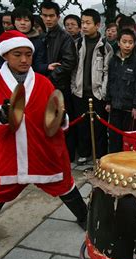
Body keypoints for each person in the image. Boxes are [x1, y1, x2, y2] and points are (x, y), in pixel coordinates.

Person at [0, 30, 87, 259]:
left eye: (28, 54)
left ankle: (85, 217)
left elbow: (55, 114)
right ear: (6, 55)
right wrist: (0, 114)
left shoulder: (43, 82)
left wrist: (61, 118)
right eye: (17, 54)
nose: (24, 60)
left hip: (41, 148)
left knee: (63, 182)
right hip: (9, 151)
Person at [71, 9, 113, 164]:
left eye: (88, 23)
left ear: (97, 25)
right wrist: (74, 88)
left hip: (97, 93)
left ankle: (99, 155)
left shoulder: (105, 47)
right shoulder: (77, 44)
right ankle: (84, 153)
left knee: (99, 128)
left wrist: (103, 92)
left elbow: (107, 72)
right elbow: (74, 69)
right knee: (82, 126)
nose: (84, 26)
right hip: (80, 92)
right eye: (82, 22)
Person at [40, 0, 78, 162]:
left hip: (60, 87)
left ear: (57, 17)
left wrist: (50, 77)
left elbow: (69, 63)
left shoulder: (65, 38)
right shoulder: (43, 36)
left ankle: (66, 156)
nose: (48, 19)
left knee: (63, 123)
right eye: (45, 16)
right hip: (45, 85)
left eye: (51, 16)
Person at [105, 29, 136, 154]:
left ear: (134, 44)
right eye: (124, 42)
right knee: (114, 138)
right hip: (115, 106)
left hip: (129, 109)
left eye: (130, 42)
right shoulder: (113, 61)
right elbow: (109, 82)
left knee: (128, 139)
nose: (127, 45)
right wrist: (108, 101)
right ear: (118, 43)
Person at [11, 7, 47, 74]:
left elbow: (38, 64)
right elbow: (1, 63)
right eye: (18, 20)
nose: (22, 23)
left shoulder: (38, 42)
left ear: (32, 23)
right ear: (13, 22)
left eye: (26, 20)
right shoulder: (7, 40)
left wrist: (46, 67)